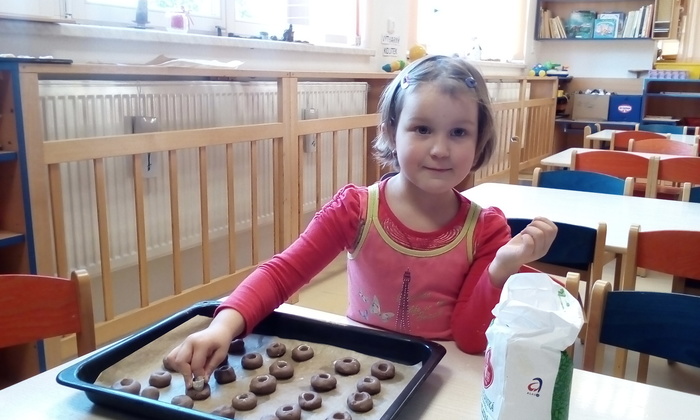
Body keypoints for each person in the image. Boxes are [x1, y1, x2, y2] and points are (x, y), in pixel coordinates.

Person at [166, 55, 557, 388]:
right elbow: (282, 273)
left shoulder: (486, 230)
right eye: (422, 129)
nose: (440, 149)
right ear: (391, 131)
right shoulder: (355, 209)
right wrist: (223, 326)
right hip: (357, 374)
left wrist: (500, 270)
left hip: (441, 378)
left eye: (459, 132)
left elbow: (471, 340)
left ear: (479, 141)